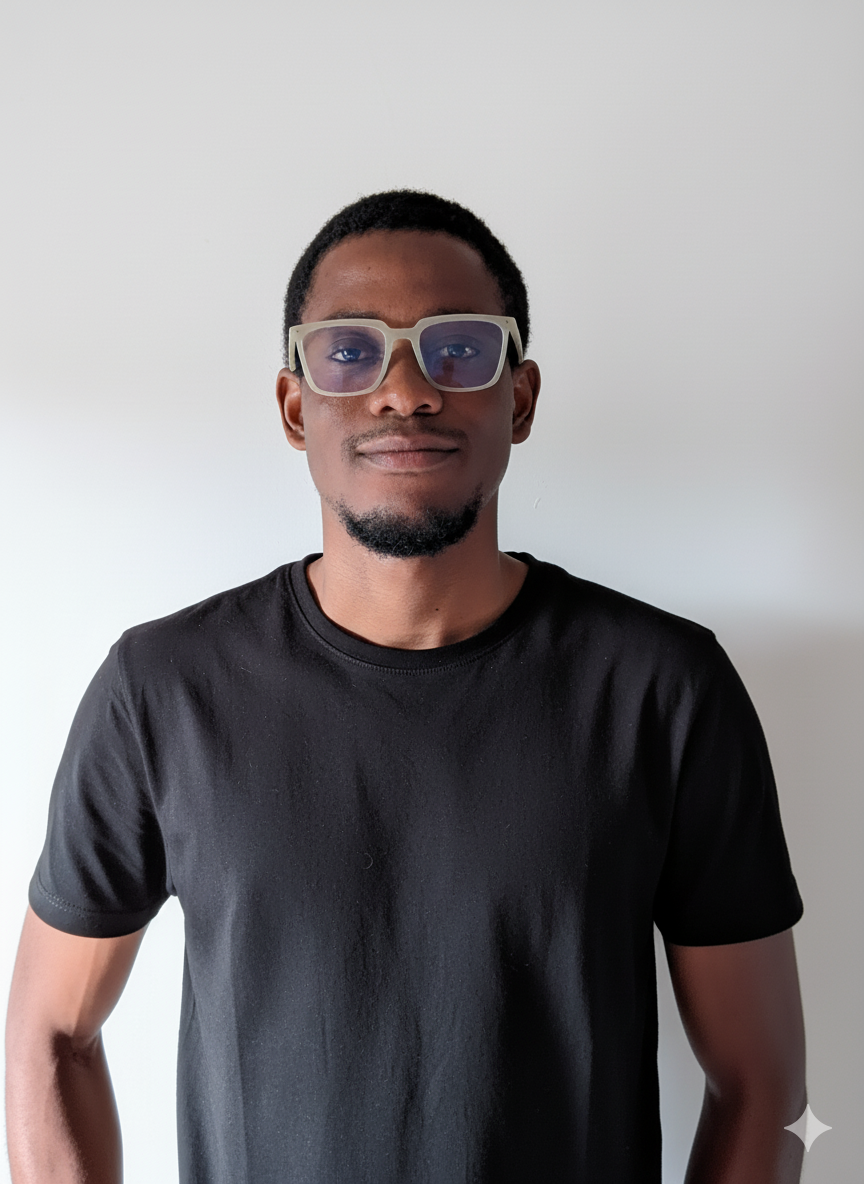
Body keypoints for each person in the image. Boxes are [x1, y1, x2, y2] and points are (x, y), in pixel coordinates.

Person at [5, 190, 806, 1184]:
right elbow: (47, 1036)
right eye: (350, 351)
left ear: (520, 398)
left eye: (457, 349)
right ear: (295, 407)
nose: (405, 391)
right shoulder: (161, 692)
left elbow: (764, 1083)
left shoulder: (664, 691)